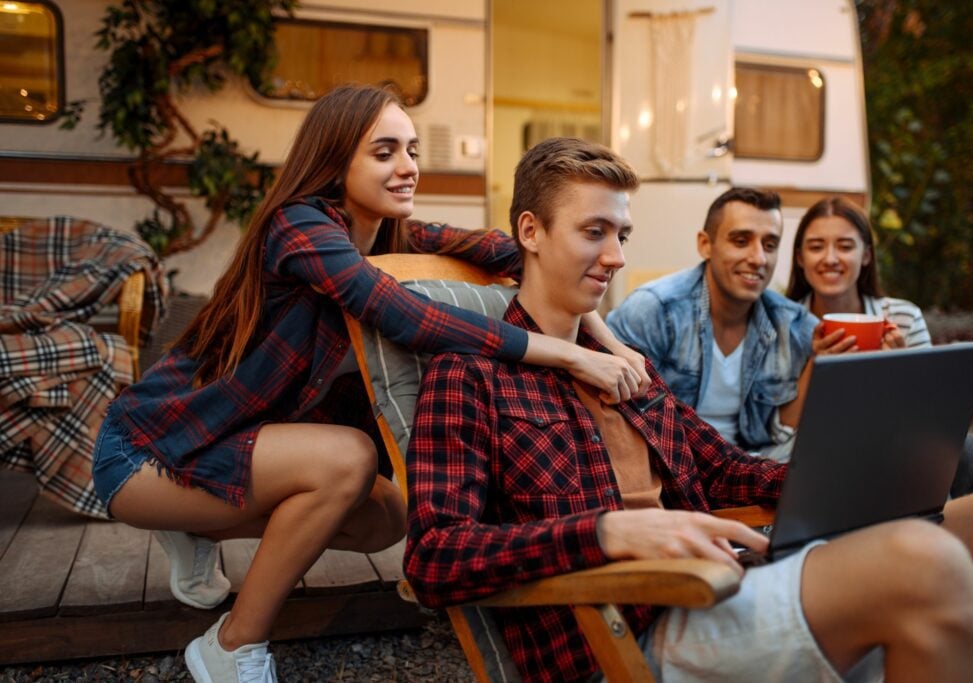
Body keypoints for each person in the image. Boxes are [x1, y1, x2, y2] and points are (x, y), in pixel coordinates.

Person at [402, 137, 973, 683]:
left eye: (622, 234)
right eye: (594, 232)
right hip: (631, 626)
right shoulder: (472, 374)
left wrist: (847, 484)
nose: (615, 255)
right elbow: (433, 558)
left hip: (726, 582)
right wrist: (609, 532)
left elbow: (725, 469)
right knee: (930, 567)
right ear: (531, 233)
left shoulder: (626, 365)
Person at [90, 86, 647, 683]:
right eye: (384, 152)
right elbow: (402, 315)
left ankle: (197, 522)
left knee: (388, 518)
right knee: (348, 460)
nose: (407, 167)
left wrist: (608, 342)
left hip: (234, 447)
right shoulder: (297, 225)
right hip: (148, 452)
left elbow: (524, 253)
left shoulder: (387, 232)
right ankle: (231, 645)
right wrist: (564, 356)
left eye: (410, 150)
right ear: (336, 161)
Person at [785, 196, 973, 497]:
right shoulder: (784, 325)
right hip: (814, 450)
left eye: (845, 246)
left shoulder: (902, 317)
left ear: (866, 255)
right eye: (816, 246)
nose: (830, 258)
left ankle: (946, 532)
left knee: (967, 451)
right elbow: (780, 426)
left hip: (892, 444)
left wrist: (899, 370)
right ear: (800, 258)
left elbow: (933, 419)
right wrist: (816, 364)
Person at [606, 187, 817, 461]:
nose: (758, 259)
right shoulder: (655, 310)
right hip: (675, 466)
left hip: (758, 467)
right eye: (741, 241)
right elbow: (617, 419)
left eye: (770, 245)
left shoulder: (795, 325)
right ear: (705, 244)